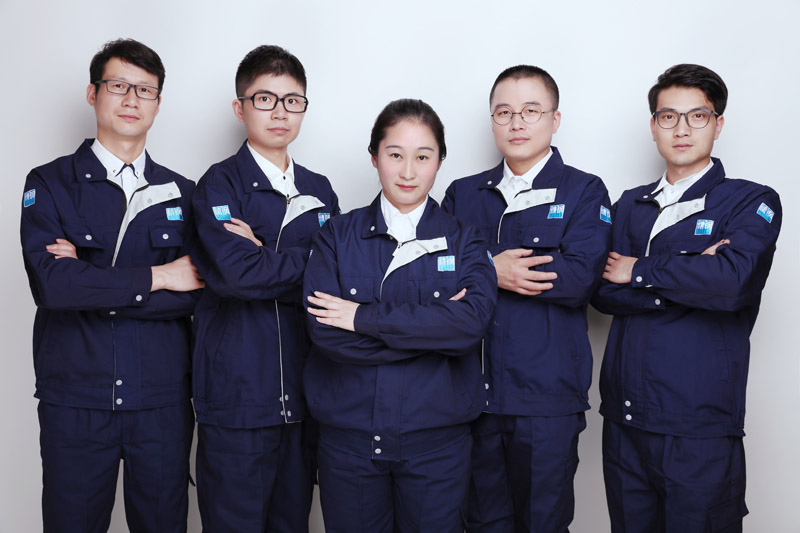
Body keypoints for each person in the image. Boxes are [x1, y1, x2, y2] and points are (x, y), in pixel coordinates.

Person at [19, 39, 202, 532]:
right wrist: (161, 277)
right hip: (75, 398)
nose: (132, 99)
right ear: (93, 93)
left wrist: (90, 281)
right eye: (119, 86)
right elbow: (54, 288)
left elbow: (197, 296)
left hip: (161, 400)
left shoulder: (184, 194)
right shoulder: (50, 183)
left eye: (145, 90)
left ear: (158, 104)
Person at [591, 64, 782, 532]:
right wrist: (694, 276)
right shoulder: (629, 204)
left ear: (718, 124)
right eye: (668, 116)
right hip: (624, 419)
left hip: (699, 424)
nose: (681, 129)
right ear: (653, 125)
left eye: (697, 116)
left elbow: (732, 284)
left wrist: (639, 270)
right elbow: (598, 289)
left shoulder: (750, 201)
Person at [303, 98, 497, 532]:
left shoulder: (466, 241)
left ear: (440, 161)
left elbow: (470, 327)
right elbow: (325, 333)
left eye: (423, 157)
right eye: (395, 155)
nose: (408, 171)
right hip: (349, 445)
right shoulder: (335, 236)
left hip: (438, 448)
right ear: (374, 157)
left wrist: (362, 319)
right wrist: (434, 335)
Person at [441, 65, 612, 532]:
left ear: (555, 119)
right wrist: (490, 268)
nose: (516, 122)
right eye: (504, 112)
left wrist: (478, 269)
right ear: (492, 121)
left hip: (546, 398)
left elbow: (580, 276)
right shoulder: (462, 194)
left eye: (531, 111)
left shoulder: (584, 190)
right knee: (480, 523)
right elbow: (434, 279)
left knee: (542, 523)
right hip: (471, 397)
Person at [190, 44, 339, 532]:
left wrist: (264, 254)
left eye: (292, 101)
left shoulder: (320, 189)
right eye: (265, 99)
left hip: (304, 394)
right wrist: (304, 260)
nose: (280, 112)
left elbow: (338, 281)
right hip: (237, 397)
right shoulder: (218, 186)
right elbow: (238, 275)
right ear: (240, 108)